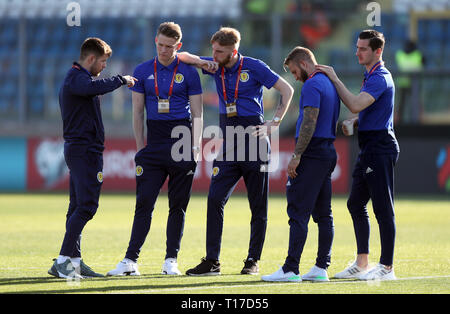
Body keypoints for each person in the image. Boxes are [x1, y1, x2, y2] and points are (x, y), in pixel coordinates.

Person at [179, 27, 294, 276]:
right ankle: (212, 261)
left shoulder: (254, 67)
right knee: (214, 199)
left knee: (257, 206)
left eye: (219, 51)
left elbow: (287, 89)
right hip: (229, 143)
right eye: (213, 50)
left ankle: (252, 260)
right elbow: (182, 56)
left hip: (254, 141)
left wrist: (274, 123)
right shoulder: (214, 65)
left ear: (234, 51)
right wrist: (202, 62)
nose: (214, 54)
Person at [107, 22, 214, 276]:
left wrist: (196, 147)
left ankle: (170, 261)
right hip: (153, 143)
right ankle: (130, 261)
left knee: (178, 206)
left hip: (181, 141)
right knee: (144, 203)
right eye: (160, 45)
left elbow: (198, 113)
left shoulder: (188, 72)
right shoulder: (143, 71)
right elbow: (136, 111)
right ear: (156, 40)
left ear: (179, 46)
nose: (164, 50)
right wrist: (140, 147)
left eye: (169, 46)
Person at [48, 37, 137, 279]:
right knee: (87, 206)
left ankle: (74, 260)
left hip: (82, 149)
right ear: (91, 59)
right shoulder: (78, 79)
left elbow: (91, 88)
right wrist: (121, 80)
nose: (105, 67)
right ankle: (64, 260)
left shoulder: (78, 79)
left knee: (77, 206)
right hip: (84, 151)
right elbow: (91, 88)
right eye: (103, 61)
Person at [316, 29, 400, 281]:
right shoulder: (370, 76)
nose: (358, 52)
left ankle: (386, 268)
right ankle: (362, 263)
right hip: (369, 147)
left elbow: (354, 103)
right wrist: (356, 121)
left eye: (363, 48)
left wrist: (334, 78)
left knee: (383, 208)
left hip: (380, 147)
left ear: (378, 51)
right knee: (355, 203)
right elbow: (366, 110)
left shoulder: (379, 77)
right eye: (357, 47)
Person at [261, 47, 340, 282]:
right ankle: (320, 268)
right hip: (327, 151)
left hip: (312, 153)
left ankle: (290, 269)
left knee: (298, 212)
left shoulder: (313, 85)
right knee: (324, 214)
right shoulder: (329, 83)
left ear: (304, 64)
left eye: (295, 71)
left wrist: (296, 155)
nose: (294, 76)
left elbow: (310, 120)